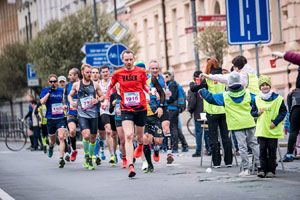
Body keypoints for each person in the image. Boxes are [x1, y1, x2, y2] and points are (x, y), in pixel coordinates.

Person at [200, 72, 260, 176]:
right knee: (254, 144)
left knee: (242, 147)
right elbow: (258, 101)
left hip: (237, 125)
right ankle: (260, 166)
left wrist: (202, 90)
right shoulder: (247, 93)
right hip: (249, 122)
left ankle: (245, 169)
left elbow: (211, 98)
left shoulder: (225, 96)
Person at [102, 50, 149, 178]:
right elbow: (111, 88)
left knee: (140, 138)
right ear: (122, 60)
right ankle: (130, 166)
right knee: (128, 136)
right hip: (126, 108)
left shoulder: (141, 72)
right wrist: (107, 100)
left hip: (141, 108)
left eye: (130, 59)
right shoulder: (118, 73)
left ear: (133, 59)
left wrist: (151, 92)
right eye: (126, 60)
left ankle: (140, 146)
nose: (128, 62)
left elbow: (145, 86)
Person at [68, 64, 104, 170]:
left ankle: (89, 156)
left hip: (93, 114)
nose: (89, 74)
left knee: (93, 138)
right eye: (87, 72)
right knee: (86, 135)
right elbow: (70, 95)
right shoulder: (77, 85)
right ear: (82, 72)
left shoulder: (96, 84)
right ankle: (87, 157)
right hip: (82, 113)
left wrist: (97, 100)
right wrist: (71, 102)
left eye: (90, 72)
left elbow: (103, 96)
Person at [253, 75, 287, 178]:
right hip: (262, 129)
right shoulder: (256, 99)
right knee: (262, 150)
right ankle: (263, 169)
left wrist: (275, 122)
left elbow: (283, 111)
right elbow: (252, 112)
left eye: (266, 84)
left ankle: (271, 170)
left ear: (270, 86)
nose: (264, 87)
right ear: (260, 87)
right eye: (262, 85)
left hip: (273, 129)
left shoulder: (278, 98)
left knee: (272, 150)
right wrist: (257, 113)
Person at [273, 51, 300, 162]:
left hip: (297, 100)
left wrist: (283, 54)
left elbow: (296, 57)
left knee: (294, 130)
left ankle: (289, 154)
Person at [148, 60, 174, 164]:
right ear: (149, 70)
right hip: (152, 108)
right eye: (152, 68)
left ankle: (169, 153)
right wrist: (153, 94)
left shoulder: (162, 79)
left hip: (163, 106)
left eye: (156, 68)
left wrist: (167, 93)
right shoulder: (147, 80)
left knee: (166, 128)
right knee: (157, 139)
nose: (155, 70)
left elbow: (166, 92)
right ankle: (156, 149)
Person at [40, 74, 68, 168]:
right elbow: (42, 102)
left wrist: (64, 106)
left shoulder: (61, 90)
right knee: (52, 140)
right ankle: (51, 147)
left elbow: (63, 101)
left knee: (61, 137)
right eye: (51, 81)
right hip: (50, 118)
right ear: (49, 82)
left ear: (57, 82)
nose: (53, 83)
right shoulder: (45, 90)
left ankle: (61, 159)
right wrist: (49, 92)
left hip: (60, 117)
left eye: (55, 81)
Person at [163, 71, 189, 153]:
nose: (165, 78)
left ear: (171, 76)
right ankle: (184, 145)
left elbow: (172, 98)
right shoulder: (171, 84)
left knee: (173, 128)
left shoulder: (172, 85)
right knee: (176, 128)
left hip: (172, 109)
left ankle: (175, 148)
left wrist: (164, 99)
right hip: (174, 108)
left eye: (166, 76)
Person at [187, 70, 211, 157]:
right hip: (206, 112)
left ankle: (198, 151)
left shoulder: (193, 88)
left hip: (198, 113)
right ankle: (209, 149)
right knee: (206, 131)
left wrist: (190, 110)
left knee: (199, 132)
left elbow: (192, 102)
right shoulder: (207, 86)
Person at [65, 68, 80, 161]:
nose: (69, 76)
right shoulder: (68, 86)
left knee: (88, 135)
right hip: (71, 112)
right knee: (72, 131)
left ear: (76, 75)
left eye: (71, 75)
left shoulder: (83, 84)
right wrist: (64, 105)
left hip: (83, 112)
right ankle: (74, 150)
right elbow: (65, 97)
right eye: (69, 75)